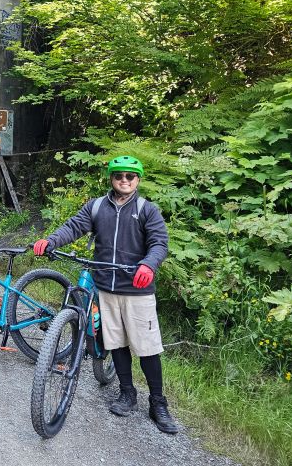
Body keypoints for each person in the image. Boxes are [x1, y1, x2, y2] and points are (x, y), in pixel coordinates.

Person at [33, 155, 179, 434]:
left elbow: (159, 243)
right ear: (111, 178)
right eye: (119, 176)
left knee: (147, 348)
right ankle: (127, 393)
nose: (124, 180)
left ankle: (158, 402)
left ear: (137, 180)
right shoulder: (97, 206)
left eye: (130, 177)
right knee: (117, 343)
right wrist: (51, 240)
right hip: (106, 288)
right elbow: (74, 226)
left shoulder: (147, 210)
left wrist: (149, 264)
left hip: (137, 290)